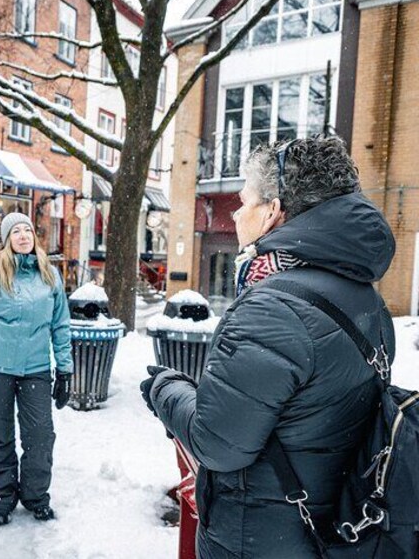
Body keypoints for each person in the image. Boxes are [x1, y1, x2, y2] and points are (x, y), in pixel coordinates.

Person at [140, 137, 396, 558]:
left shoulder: (272, 307)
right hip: (326, 527)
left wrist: (166, 390)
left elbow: (219, 444)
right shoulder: (363, 295)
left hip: (258, 534)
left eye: (244, 200)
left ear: (273, 211)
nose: (237, 213)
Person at [0, 212, 72, 527]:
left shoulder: (49, 275)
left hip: (36, 369)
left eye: (27, 230)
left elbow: (60, 326)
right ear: (7, 240)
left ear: (34, 237)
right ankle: (2, 499)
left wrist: (65, 371)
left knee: (40, 437)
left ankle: (36, 496)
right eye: (15, 232)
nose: (23, 235)